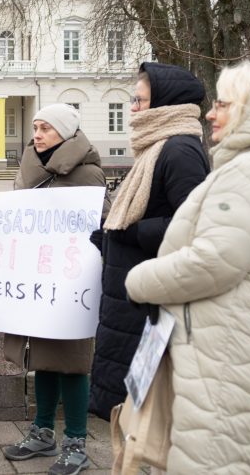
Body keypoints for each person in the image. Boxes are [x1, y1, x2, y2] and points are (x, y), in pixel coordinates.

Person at [125, 61, 250, 472]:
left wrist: (139, 279)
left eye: (223, 104)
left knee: (217, 458)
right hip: (225, 348)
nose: (211, 113)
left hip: (229, 354)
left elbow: (212, 261)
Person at [88, 63, 210, 420]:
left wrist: (132, 232)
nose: (134, 109)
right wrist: (109, 237)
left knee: (145, 405)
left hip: (153, 305)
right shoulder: (157, 147)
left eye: (140, 101)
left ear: (164, 104)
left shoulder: (179, 151)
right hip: (135, 298)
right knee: (133, 405)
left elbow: (194, 224)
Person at [1, 104, 109, 474]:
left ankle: (76, 442)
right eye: (35, 127)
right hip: (37, 279)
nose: (38, 134)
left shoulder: (88, 174)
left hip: (71, 283)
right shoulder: (30, 169)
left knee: (73, 361)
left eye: (46, 127)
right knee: (41, 357)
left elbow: (102, 221)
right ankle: (42, 431)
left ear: (65, 132)